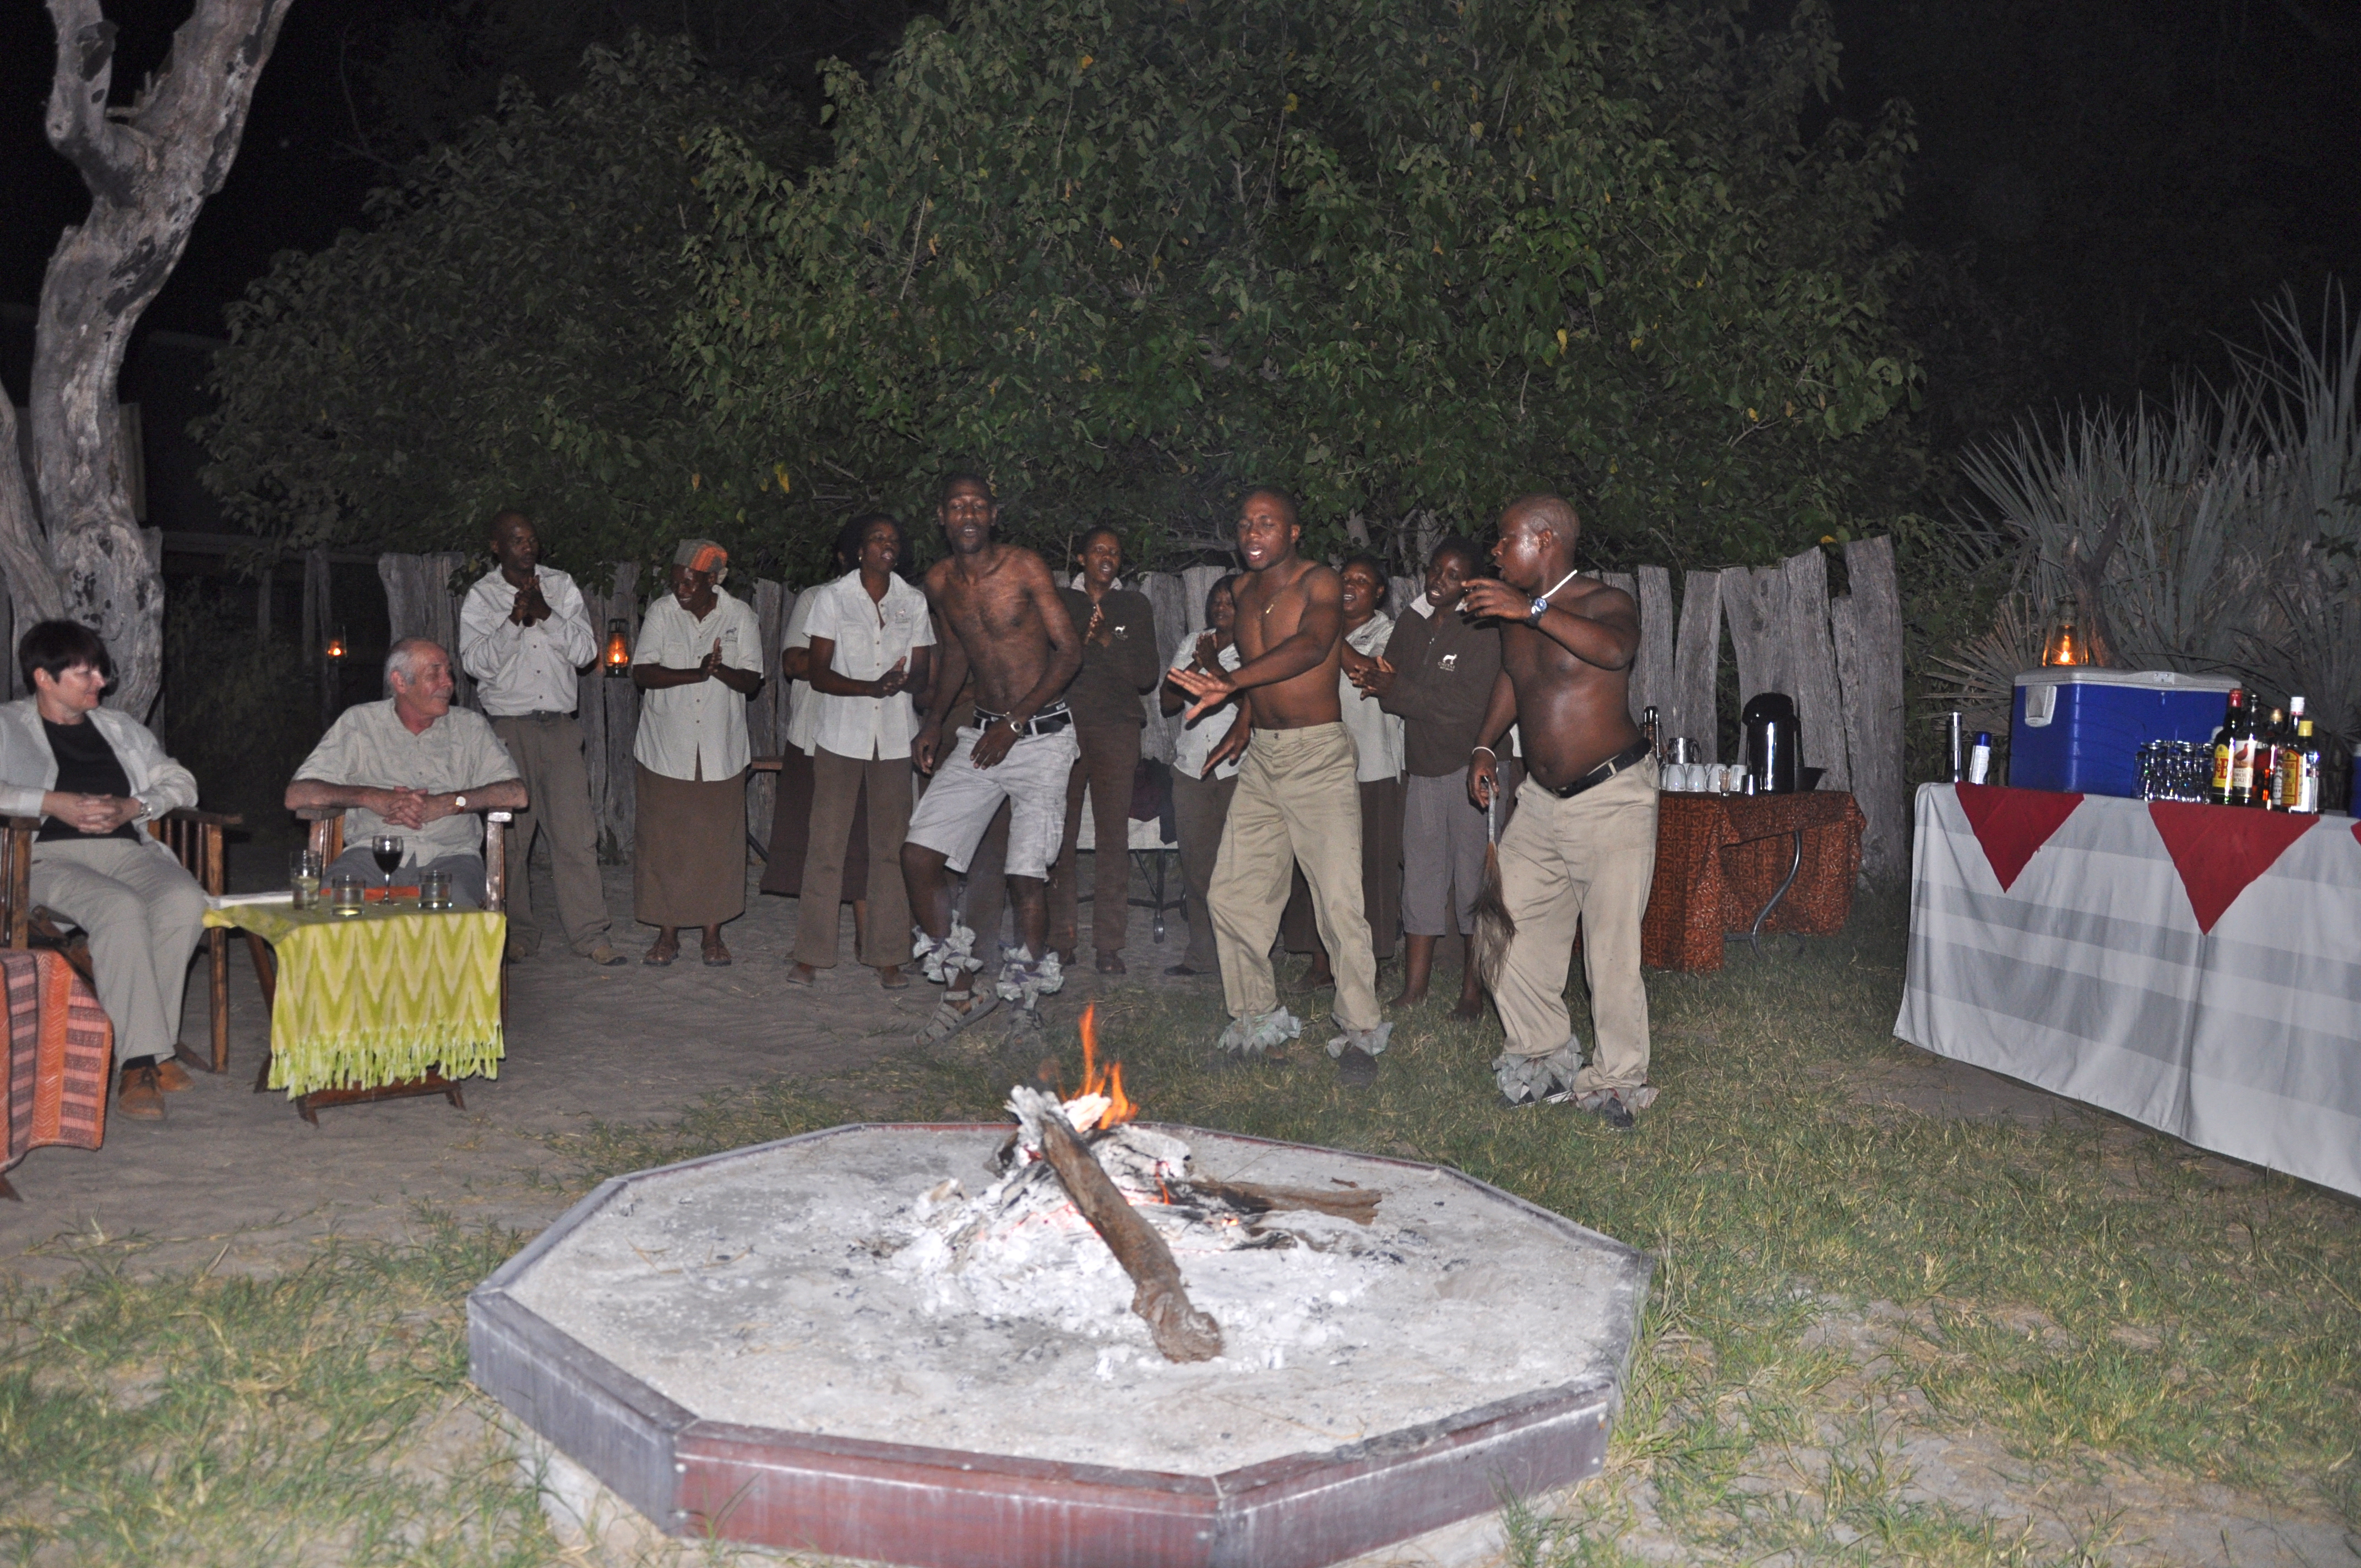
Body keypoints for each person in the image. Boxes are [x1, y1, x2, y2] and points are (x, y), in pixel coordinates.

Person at [1168, 489, 1391, 1085]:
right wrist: (1245, 717)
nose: (1252, 532)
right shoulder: (1240, 592)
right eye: (1243, 523)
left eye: (1266, 522)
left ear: (1294, 531)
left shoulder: (1318, 582)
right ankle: (1255, 1020)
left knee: (1339, 900)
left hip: (1318, 756)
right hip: (1263, 759)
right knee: (1232, 894)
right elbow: (1272, 670)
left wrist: (1231, 683)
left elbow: (1313, 646)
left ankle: (1361, 1033)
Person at [1463, 494, 1658, 1129]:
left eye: (1504, 540)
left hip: (1612, 798)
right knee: (1501, 925)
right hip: (1541, 804)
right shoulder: (1513, 617)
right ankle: (1541, 1056)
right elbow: (1513, 679)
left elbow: (1613, 652)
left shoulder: (1607, 602)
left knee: (1610, 949)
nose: (1495, 551)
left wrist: (1535, 609)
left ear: (1544, 539)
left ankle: (1616, 1081)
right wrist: (1485, 744)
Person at [901, 471, 1084, 1042]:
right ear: (941, 517)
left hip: (1042, 736)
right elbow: (958, 650)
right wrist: (933, 721)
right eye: (957, 506)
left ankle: (1025, 1002)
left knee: (1026, 877)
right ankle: (961, 991)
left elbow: (1069, 651)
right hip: (981, 737)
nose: (968, 515)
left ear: (994, 513)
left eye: (978, 505)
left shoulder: (1024, 567)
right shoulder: (939, 580)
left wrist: (1015, 720)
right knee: (917, 854)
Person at [0, 620, 206, 1120]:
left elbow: (182, 782)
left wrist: (136, 806)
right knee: (121, 909)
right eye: (85, 672)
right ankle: (140, 1063)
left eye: (99, 670)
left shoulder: (121, 729)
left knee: (185, 901)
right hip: (40, 858)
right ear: (44, 678)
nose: (101, 681)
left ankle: (152, 1048)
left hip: (126, 853)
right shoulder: (6, 726)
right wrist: (52, 803)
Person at [457, 510, 625, 967]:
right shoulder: (483, 596)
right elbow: (476, 665)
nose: (527, 546)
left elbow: (587, 652)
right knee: (511, 840)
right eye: (516, 540)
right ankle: (516, 934)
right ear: (497, 547)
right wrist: (514, 621)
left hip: (559, 726)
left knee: (576, 834)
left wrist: (545, 614)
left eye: (532, 538)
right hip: (508, 729)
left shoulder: (561, 585)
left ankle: (590, 934)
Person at [1365, 536, 1513, 1017]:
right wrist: (1396, 689)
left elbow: (1469, 710)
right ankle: (1415, 988)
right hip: (1424, 765)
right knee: (1422, 879)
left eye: (1452, 576)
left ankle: (1473, 993)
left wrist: (1401, 690)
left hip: (1474, 766)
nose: (1437, 582)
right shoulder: (1412, 622)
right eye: (1434, 570)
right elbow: (1386, 690)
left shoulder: (1486, 629)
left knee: (1475, 878)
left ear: (1470, 583)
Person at [790, 513, 933, 989]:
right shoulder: (834, 598)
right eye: (877, 539)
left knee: (890, 849)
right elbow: (818, 671)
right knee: (826, 844)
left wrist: (900, 682)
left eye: (893, 540)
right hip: (841, 734)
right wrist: (868, 688)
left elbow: (921, 671)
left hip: (894, 737)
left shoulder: (912, 601)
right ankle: (811, 953)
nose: (886, 546)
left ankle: (887, 954)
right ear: (858, 550)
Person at [289, 639, 527, 910]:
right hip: (372, 854)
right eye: (434, 674)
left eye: (448, 672)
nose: (448, 683)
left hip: (451, 855)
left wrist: (449, 804)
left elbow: (516, 793)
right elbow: (298, 794)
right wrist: (369, 797)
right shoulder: (359, 724)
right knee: (334, 901)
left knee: (454, 907)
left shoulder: (470, 728)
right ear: (400, 683)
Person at [629, 539, 765, 966]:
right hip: (667, 747)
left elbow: (752, 681)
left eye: (689, 581)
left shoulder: (738, 615)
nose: (680, 589)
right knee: (665, 843)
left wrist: (719, 669)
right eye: (676, 581)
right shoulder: (662, 613)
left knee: (717, 845)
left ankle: (712, 935)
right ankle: (667, 935)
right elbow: (643, 672)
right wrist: (695, 672)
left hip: (721, 747)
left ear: (712, 579)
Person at [1279, 553, 1402, 988]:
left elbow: (1368, 675)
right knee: (1316, 863)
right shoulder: (1315, 629)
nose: (1350, 586)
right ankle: (1319, 959)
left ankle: (1372, 959)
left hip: (1371, 766)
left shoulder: (1388, 633)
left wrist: (1327, 633)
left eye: (1362, 581)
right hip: (1316, 763)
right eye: (1344, 579)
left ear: (1380, 592)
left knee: (1372, 867)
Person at [1047, 526, 1163, 974]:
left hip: (1117, 728)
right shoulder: (1060, 601)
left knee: (1114, 837)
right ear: (1081, 558)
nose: (1106, 557)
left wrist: (1108, 642)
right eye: (1098, 550)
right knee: (1061, 835)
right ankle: (1062, 939)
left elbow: (1145, 674)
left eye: (1114, 551)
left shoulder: (1133, 606)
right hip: (1064, 726)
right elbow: (1046, 655)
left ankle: (1109, 945)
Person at [759, 521, 876, 950]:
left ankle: (869, 938)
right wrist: (857, 657)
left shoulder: (899, 602)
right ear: (845, 558)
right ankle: (814, 941)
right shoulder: (815, 598)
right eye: (861, 550)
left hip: (870, 737)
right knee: (817, 842)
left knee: (865, 839)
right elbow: (793, 663)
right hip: (817, 735)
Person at [1160, 575, 1244, 978]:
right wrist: (1198, 659)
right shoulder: (1195, 639)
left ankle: (1240, 956)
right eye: (1217, 601)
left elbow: (1254, 703)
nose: (1222, 607)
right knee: (1196, 866)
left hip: (1237, 770)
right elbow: (1167, 700)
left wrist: (1215, 666)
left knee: (1237, 867)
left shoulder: (1256, 646)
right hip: (1191, 768)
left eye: (1231, 601)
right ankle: (1201, 955)